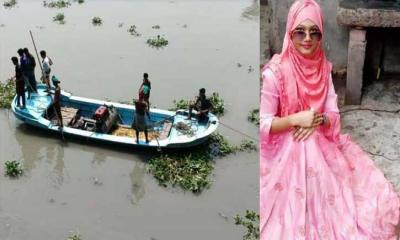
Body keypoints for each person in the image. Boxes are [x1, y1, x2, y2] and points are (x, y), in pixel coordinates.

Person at [260, 1, 399, 239]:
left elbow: (333, 117)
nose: (307, 39)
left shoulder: (323, 68)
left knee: (310, 141)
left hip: (319, 142)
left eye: (314, 32)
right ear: (289, 33)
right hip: (281, 148)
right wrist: (296, 118)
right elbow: (264, 125)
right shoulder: (276, 73)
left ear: (321, 35)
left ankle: (324, 213)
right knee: (302, 143)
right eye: (300, 32)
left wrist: (316, 119)